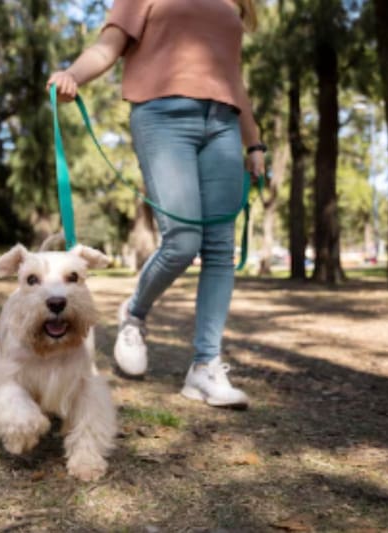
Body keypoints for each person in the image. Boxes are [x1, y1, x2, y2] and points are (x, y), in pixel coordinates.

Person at [47, 0, 265, 409]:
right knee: (183, 240)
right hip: (163, 116)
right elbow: (107, 47)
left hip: (223, 124)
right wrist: (71, 75)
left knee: (220, 248)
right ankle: (134, 313)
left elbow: (234, 78)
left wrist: (253, 143)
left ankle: (205, 367)